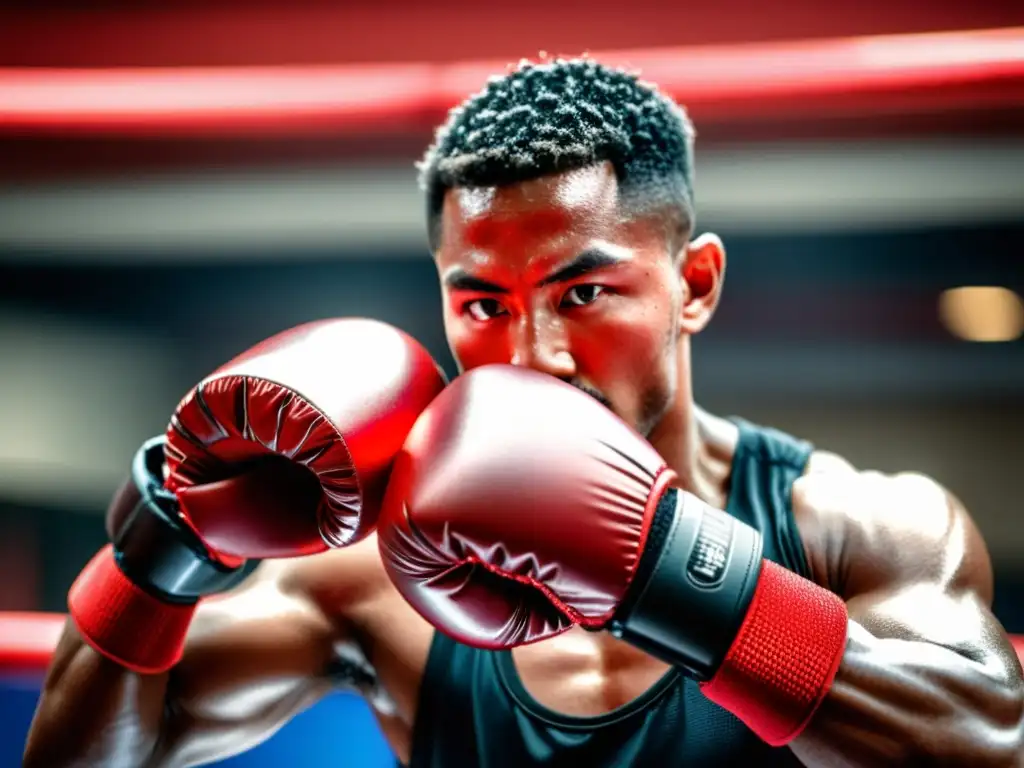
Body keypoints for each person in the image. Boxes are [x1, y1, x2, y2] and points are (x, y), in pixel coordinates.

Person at [23, 59, 1024, 768]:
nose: (533, 354)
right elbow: (102, 753)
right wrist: (164, 544)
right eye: (483, 305)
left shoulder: (859, 528)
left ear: (697, 284)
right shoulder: (374, 578)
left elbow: (984, 746)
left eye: (583, 294)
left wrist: (668, 574)